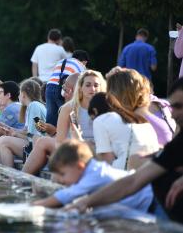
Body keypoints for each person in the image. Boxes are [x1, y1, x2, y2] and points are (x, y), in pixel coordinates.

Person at [69, 78, 183, 223]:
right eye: (173, 107)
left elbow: (109, 163)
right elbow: (134, 181)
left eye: (179, 106)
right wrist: (86, 202)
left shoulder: (98, 119)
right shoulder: (176, 141)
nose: (173, 114)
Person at [32, 140, 153, 212]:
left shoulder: (95, 174)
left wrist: (32, 206)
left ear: (79, 166)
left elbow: (65, 196)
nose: (61, 180)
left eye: (63, 174)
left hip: (152, 201)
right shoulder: (92, 169)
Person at [93, 71, 159, 170]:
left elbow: (106, 164)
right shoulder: (145, 123)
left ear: (111, 92)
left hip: (124, 177)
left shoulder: (103, 120)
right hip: (149, 177)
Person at [21, 73, 81, 175]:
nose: (62, 94)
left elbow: (31, 133)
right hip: (70, 145)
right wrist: (51, 130)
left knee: (39, 139)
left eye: (65, 89)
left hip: (78, 148)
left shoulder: (34, 105)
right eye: (63, 88)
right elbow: (61, 135)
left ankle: (21, 179)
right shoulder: (66, 108)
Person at [0, 79, 47, 167]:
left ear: (24, 94)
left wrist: (14, 134)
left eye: (20, 93)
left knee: (3, 141)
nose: (18, 96)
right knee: (2, 140)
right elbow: (26, 131)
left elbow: (35, 136)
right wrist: (9, 129)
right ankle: (3, 173)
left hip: (38, 149)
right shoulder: (32, 106)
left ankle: (8, 175)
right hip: (36, 145)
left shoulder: (34, 106)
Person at [45, 50, 88, 126]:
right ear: (84, 62)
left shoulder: (61, 61)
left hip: (49, 87)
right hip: (64, 90)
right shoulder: (81, 66)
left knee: (51, 119)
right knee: (67, 116)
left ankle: (51, 135)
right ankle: (69, 134)